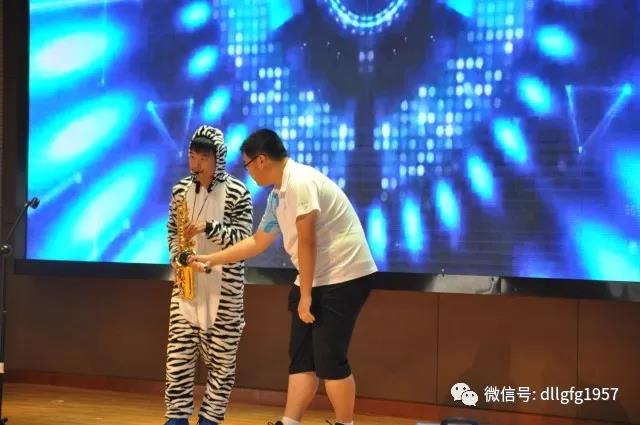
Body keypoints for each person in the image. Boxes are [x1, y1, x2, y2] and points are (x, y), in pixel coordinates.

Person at [191, 129, 377, 425]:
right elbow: (258, 242)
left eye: (247, 165)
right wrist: (212, 259)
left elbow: (307, 241)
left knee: (329, 358)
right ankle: (290, 421)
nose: (249, 173)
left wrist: (306, 295)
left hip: (344, 275)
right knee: (301, 358)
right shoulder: (277, 195)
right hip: (316, 276)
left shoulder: (300, 181)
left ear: (261, 160)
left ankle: (345, 423)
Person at [165, 125, 253, 425]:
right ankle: (176, 417)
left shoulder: (238, 193)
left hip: (224, 291)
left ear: (219, 158)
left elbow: (243, 240)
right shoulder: (180, 190)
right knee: (178, 360)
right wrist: (179, 257)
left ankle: (210, 419)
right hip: (186, 287)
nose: (197, 163)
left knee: (222, 364)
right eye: (193, 156)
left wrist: (208, 227)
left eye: (204, 157)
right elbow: (172, 233)